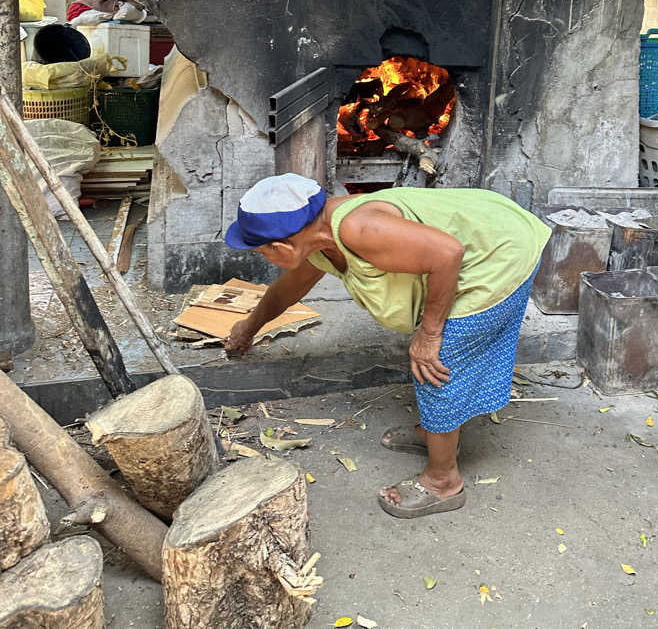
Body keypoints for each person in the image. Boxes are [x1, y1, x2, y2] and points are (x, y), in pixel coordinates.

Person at [225, 173, 551, 519]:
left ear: (281, 247)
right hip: (486, 237)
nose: (263, 257)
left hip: (500, 252)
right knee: (435, 356)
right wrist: (249, 327)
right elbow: (288, 289)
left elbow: (447, 253)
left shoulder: (359, 229)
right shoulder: (317, 239)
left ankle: (443, 482)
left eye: (261, 251)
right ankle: (436, 433)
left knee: (436, 360)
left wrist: (428, 334)